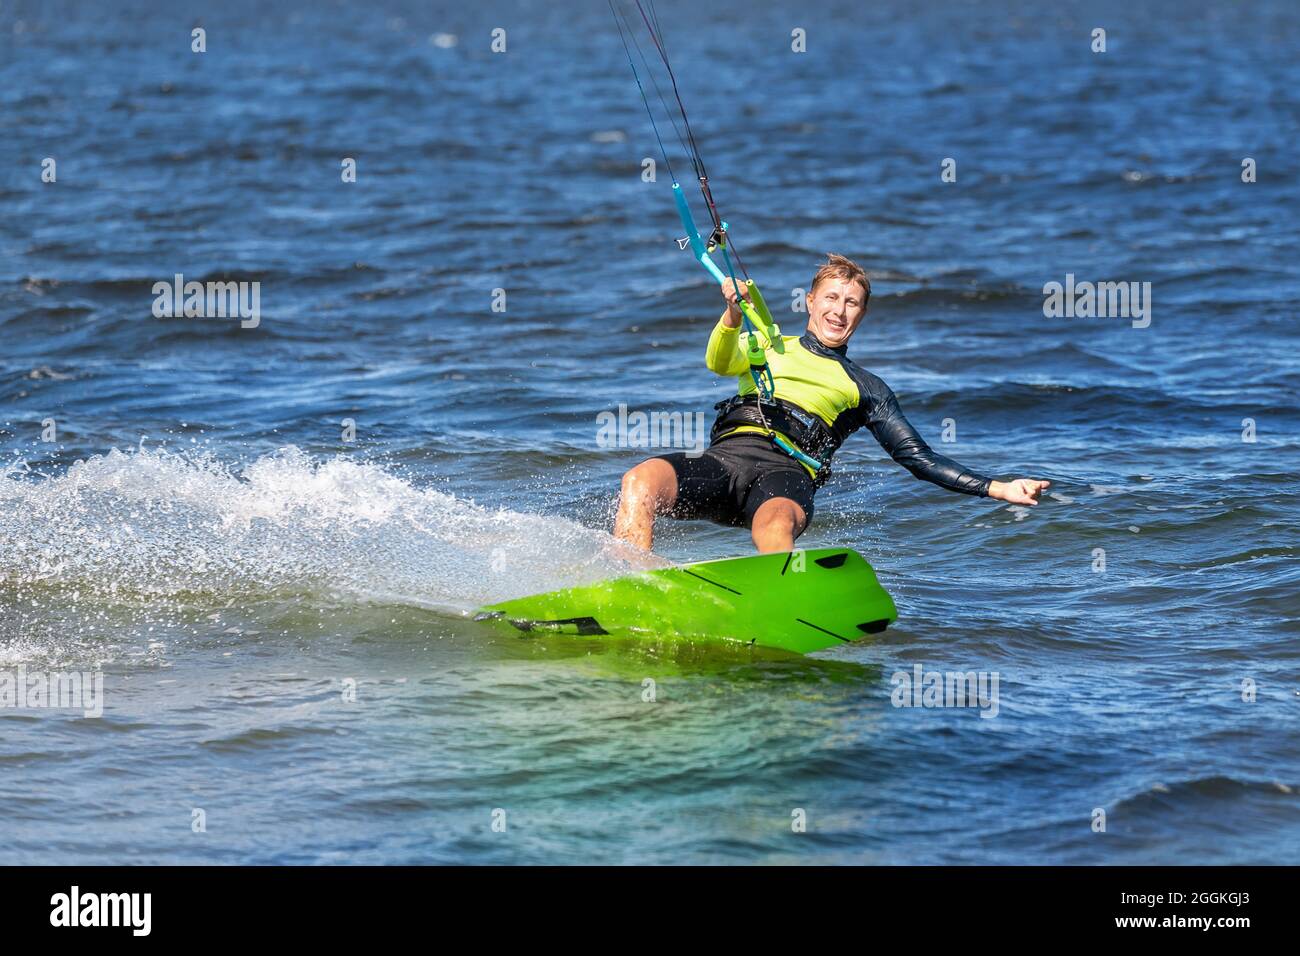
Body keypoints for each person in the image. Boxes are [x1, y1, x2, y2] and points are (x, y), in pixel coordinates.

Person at [612, 253, 1050, 553]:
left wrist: (997, 487)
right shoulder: (768, 343)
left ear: (862, 314)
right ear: (810, 302)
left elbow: (917, 458)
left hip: (785, 476)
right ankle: (632, 582)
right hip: (725, 461)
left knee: (775, 525)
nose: (839, 311)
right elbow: (719, 361)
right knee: (640, 481)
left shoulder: (865, 387)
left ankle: (777, 600)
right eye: (831, 298)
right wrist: (730, 315)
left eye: (852, 303)